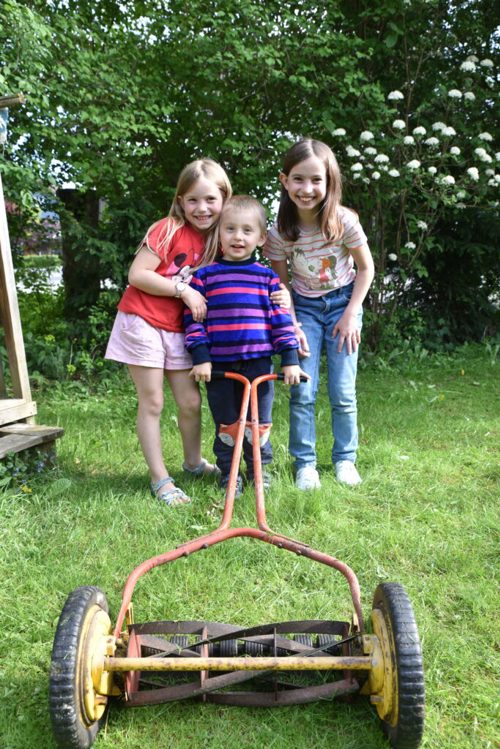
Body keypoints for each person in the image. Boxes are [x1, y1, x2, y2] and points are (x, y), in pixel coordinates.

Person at [105, 159, 231, 507]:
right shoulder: (167, 229)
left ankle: (192, 464)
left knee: (190, 401)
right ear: (180, 201)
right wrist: (182, 290)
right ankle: (160, 480)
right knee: (153, 401)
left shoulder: (222, 240)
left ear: (224, 199)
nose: (201, 208)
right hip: (142, 320)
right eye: (192, 200)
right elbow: (137, 275)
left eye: (210, 200)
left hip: (180, 329)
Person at [263, 138, 374, 489]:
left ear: (330, 182)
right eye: (298, 179)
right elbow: (282, 285)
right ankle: (305, 464)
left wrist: (351, 314)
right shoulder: (279, 231)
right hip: (304, 310)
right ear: (284, 180)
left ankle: (345, 460)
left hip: (344, 304)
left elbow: (366, 269)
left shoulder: (343, 221)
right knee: (302, 391)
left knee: (342, 391)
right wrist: (291, 324)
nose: (307, 189)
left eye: (316, 180)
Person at [184, 195, 303, 496]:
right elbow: (194, 321)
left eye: (247, 231)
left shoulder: (267, 279)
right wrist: (201, 357)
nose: (238, 237)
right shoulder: (205, 277)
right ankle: (230, 473)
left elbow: (281, 321)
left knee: (258, 423)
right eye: (230, 229)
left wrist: (290, 359)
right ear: (219, 233)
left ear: (261, 237)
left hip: (258, 364)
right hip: (219, 366)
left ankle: (259, 471)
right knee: (227, 424)